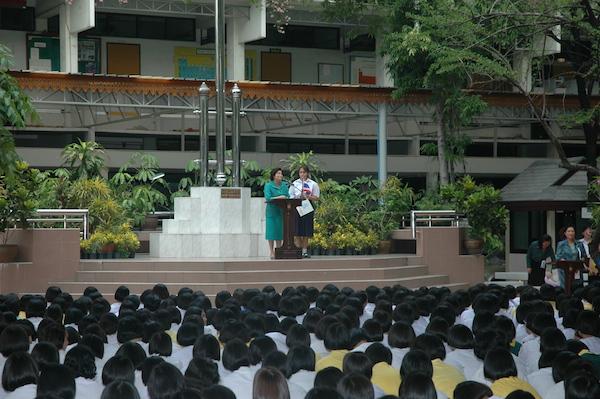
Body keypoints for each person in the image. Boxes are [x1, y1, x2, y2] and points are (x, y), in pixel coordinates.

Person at [289, 165, 320, 258]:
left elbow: (317, 197)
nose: (302, 174)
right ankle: (298, 250)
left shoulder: (313, 184)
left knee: (306, 229)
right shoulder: (295, 183)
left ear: (307, 173)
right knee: (297, 228)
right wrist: (297, 196)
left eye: (304, 172)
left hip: (307, 205)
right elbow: (290, 195)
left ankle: (304, 251)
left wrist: (308, 196)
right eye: (300, 172)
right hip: (297, 205)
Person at [264, 168, 290, 259]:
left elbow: (288, 196)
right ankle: (271, 251)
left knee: (279, 232)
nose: (280, 175)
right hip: (271, 211)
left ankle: (278, 250)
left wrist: (284, 197)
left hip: (281, 211)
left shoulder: (284, 185)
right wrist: (280, 197)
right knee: (271, 232)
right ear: (274, 175)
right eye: (278, 173)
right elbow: (268, 198)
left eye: (281, 174)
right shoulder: (268, 185)